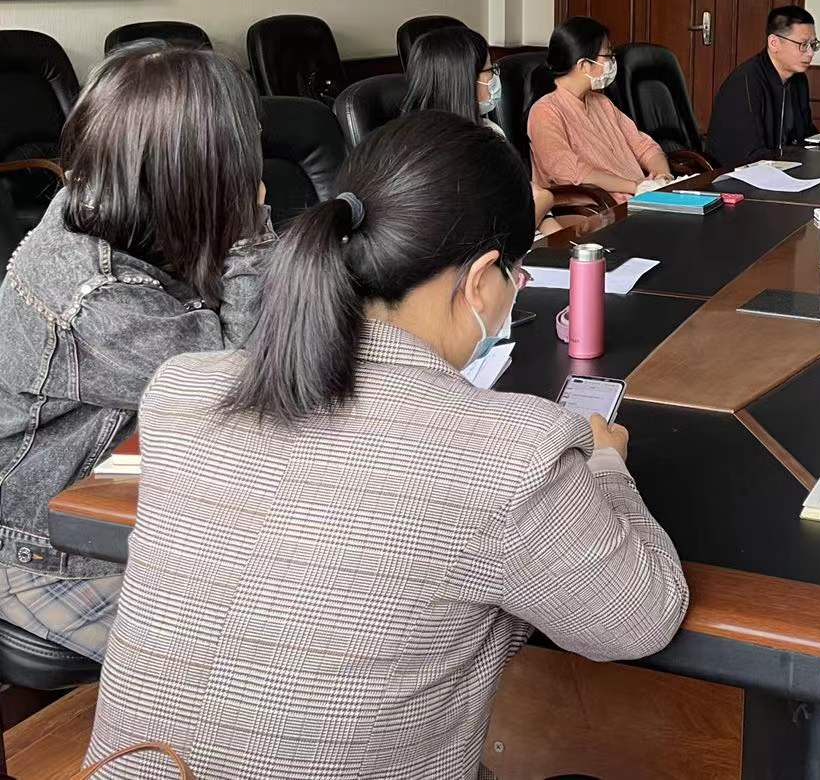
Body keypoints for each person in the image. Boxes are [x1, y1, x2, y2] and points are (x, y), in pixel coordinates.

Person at [84, 112, 689, 778]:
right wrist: (606, 464)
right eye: (516, 272)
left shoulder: (182, 389)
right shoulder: (512, 453)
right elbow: (639, 620)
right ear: (481, 278)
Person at [0, 43, 274, 661]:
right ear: (198, 170)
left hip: (130, 495)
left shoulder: (120, 215)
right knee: (273, 644)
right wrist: (249, 228)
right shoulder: (95, 296)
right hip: (49, 556)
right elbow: (239, 381)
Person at [403, 25, 558, 227]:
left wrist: (550, 224)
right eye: (490, 70)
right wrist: (543, 202)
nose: (495, 78)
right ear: (464, 80)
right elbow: (493, 232)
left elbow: (522, 195)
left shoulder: (489, 129)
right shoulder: (431, 157)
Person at [527, 17, 672, 202]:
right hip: (598, 209)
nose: (613, 62)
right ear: (583, 65)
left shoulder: (602, 102)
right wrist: (636, 186)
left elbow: (644, 146)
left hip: (639, 199)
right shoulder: (545, 112)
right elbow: (570, 172)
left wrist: (662, 177)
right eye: (608, 56)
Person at [706, 5, 819, 167]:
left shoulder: (799, 80)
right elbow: (747, 154)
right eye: (803, 44)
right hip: (738, 173)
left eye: (813, 45)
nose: (810, 53)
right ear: (774, 43)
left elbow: (805, 135)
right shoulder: (746, 82)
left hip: (783, 167)